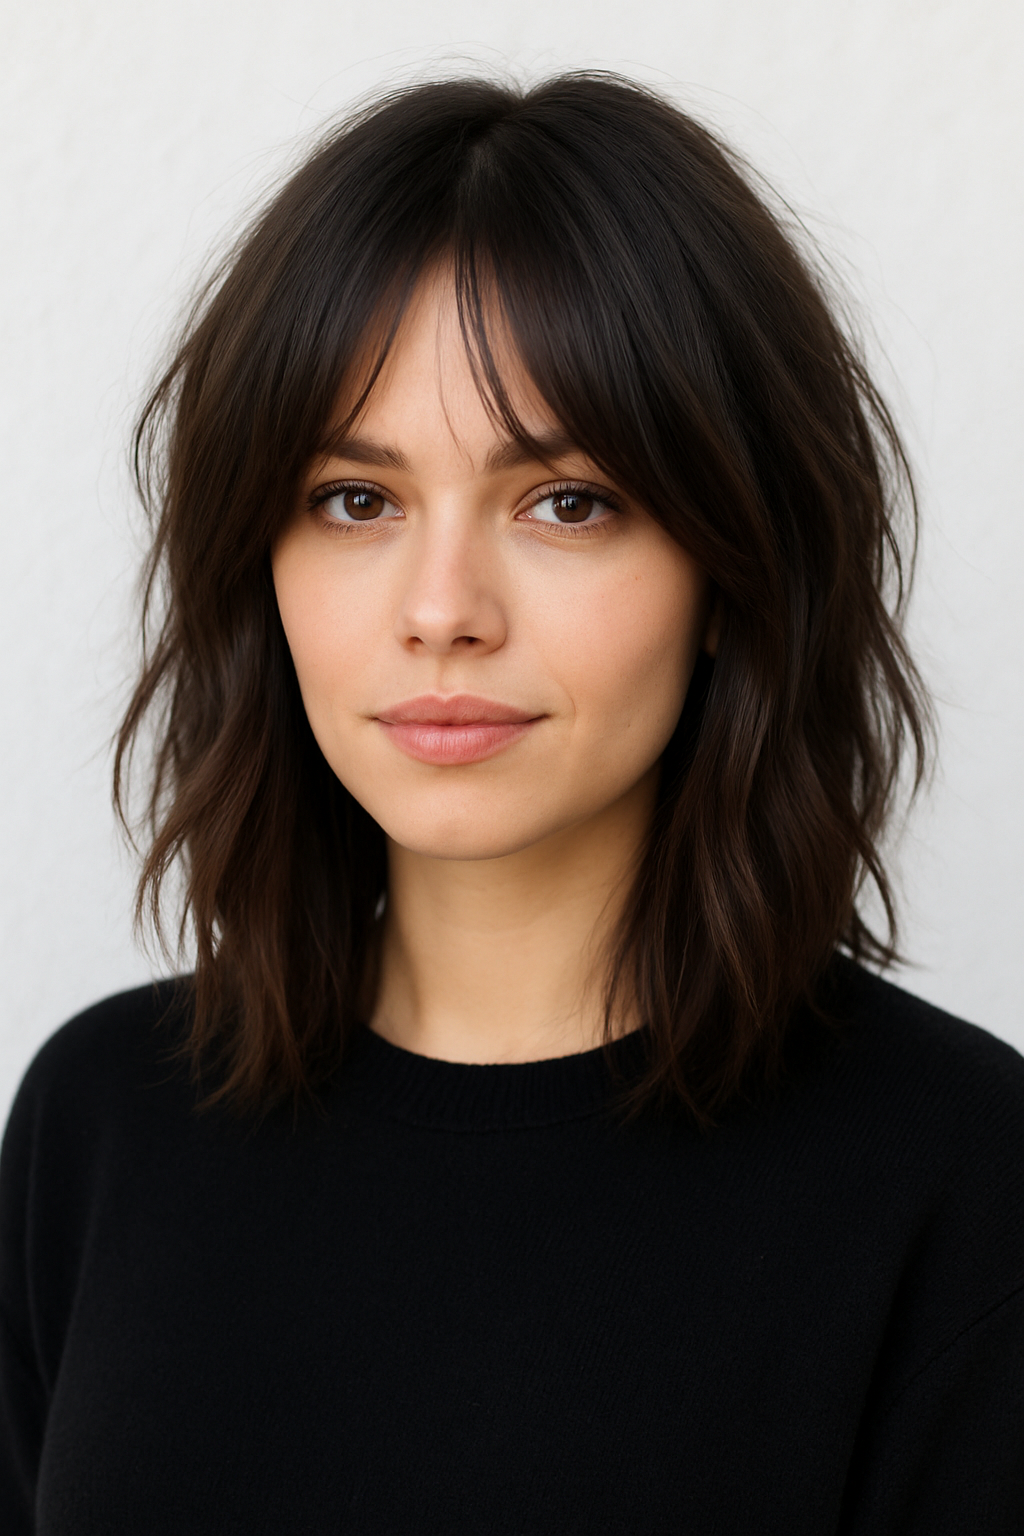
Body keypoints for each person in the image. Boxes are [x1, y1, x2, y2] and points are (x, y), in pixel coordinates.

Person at [1, 71, 1021, 1535]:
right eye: (356, 499)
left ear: (737, 570)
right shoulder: (98, 1124)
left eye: (567, 502)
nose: (443, 610)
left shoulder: (961, 1179)